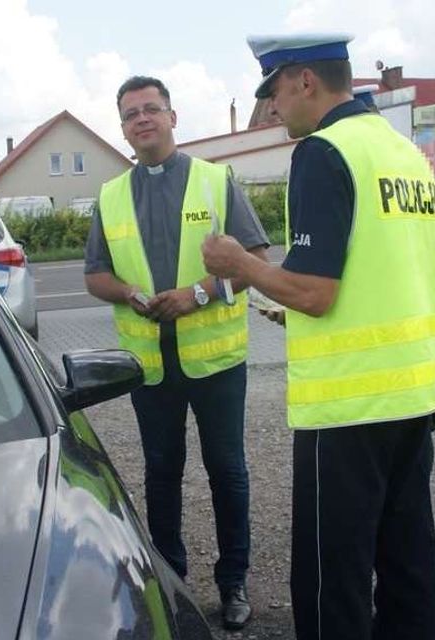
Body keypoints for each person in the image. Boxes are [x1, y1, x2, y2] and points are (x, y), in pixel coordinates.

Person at [202, 35, 435, 639]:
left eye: (275, 92)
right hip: (412, 397)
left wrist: (242, 265)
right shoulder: (403, 152)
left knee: (329, 580)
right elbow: (385, 271)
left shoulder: (323, 151)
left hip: (347, 409)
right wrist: (293, 304)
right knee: (407, 564)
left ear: (304, 80)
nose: (273, 109)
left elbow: (316, 291)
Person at [84, 75, 270, 631]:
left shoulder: (216, 181)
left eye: (151, 109)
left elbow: (256, 256)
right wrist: (132, 294)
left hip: (215, 362)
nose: (142, 120)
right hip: (151, 367)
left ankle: (233, 582)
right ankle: (170, 580)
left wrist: (199, 293)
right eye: (131, 114)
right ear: (122, 129)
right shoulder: (111, 195)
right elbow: (96, 274)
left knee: (226, 471)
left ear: (172, 116)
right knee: (162, 473)